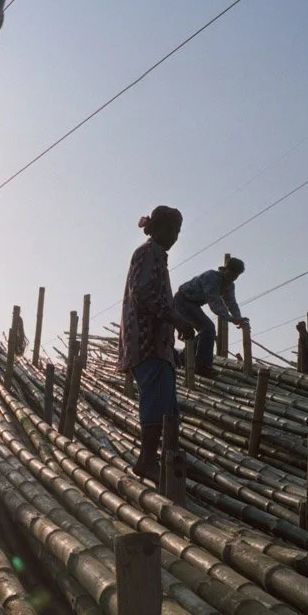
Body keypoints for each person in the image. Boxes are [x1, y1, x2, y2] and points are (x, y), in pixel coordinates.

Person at [118, 205, 183, 480]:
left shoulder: (157, 256)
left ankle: (165, 463)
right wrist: (177, 319)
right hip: (146, 342)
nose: (175, 236)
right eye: (170, 229)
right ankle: (146, 460)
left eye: (178, 231)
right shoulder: (147, 253)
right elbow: (142, 293)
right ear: (155, 228)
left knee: (169, 407)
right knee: (157, 402)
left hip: (159, 345)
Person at [173, 257, 248, 375]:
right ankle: (202, 366)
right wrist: (231, 318)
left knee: (206, 331)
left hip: (193, 303)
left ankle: (183, 357)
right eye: (232, 274)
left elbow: (232, 303)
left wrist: (238, 317)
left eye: (236, 276)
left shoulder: (229, 285)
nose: (233, 278)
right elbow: (214, 302)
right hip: (182, 300)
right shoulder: (211, 277)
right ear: (226, 269)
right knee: (208, 328)